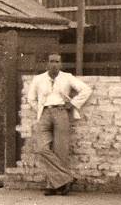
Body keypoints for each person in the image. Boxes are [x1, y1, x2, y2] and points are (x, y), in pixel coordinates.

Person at [27, 53, 92, 195]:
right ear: (47, 64)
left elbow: (86, 90)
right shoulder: (38, 79)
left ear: (61, 64)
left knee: (60, 150)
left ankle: (54, 186)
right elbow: (31, 98)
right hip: (44, 113)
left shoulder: (67, 77)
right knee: (41, 148)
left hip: (61, 112)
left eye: (57, 61)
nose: (54, 64)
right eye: (51, 61)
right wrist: (39, 108)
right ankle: (67, 178)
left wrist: (73, 103)